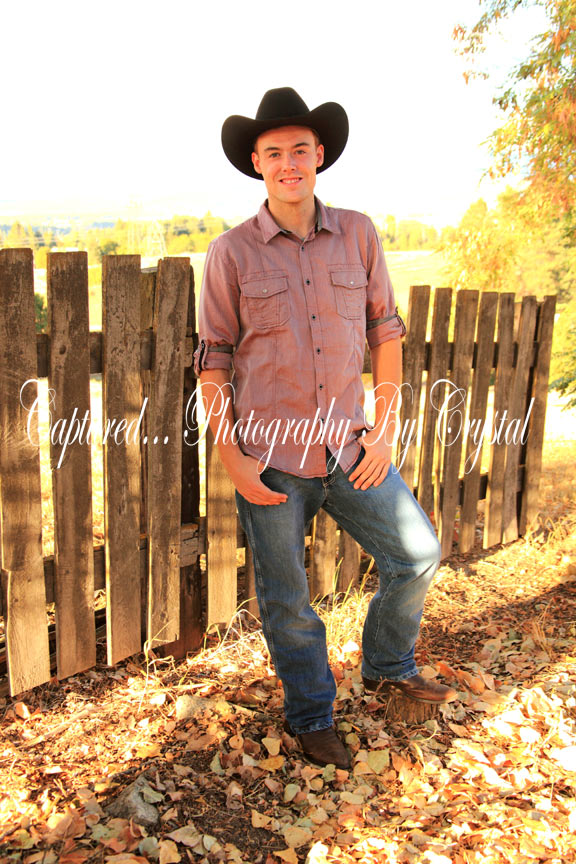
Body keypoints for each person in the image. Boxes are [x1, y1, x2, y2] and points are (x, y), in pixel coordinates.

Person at [193, 87, 456, 771]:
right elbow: (214, 361)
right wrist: (232, 457)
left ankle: (388, 665)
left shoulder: (359, 234)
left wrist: (385, 432)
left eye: (300, 150)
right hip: (271, 459)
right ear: (256, 162)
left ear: (319, 157)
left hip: (350, 448)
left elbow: (386, 335)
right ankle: (312, 715)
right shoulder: (230, 253)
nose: (289, 163)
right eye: (274, 152)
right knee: (288, 601)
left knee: (417, 553)